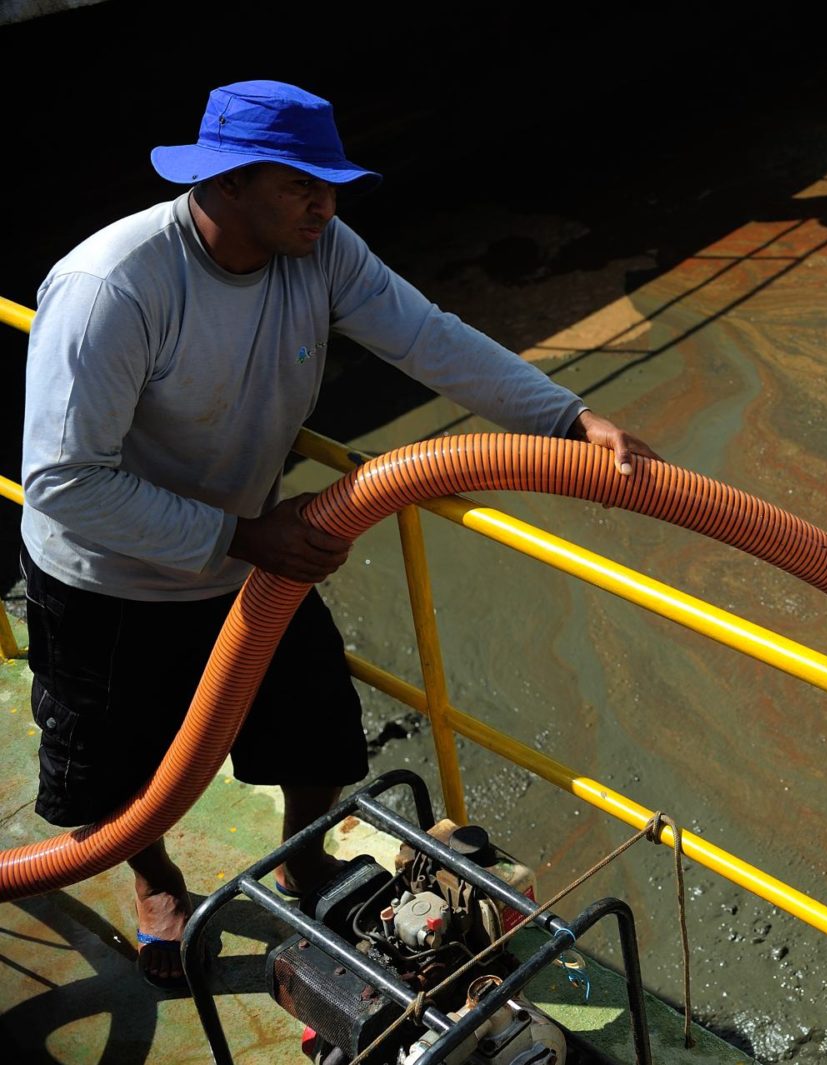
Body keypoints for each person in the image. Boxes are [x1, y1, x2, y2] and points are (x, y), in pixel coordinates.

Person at [20, 80, 657, 988]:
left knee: (318, 729)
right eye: (300, 184)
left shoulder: (318, 251)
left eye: (333, 183)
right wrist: (244, 534)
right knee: (115, 774)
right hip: (109, 578)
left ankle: (304, 860)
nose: (327, 204)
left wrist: (566, 420)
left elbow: (427, 337)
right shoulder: (111, 288)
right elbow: (62, 480)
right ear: (229, 183)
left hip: (249, 552)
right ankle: (156, 885)